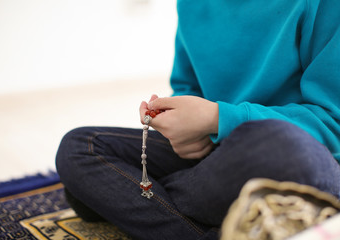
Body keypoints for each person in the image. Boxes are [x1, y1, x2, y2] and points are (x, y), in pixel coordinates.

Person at [56, 0, 340, 239]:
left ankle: (136, 200)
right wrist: (178, 125)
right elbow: (188, 88)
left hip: (295, 153)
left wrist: (218, 117)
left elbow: (331, 122)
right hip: (215, 153)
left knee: (280, 147)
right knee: (80, 147)